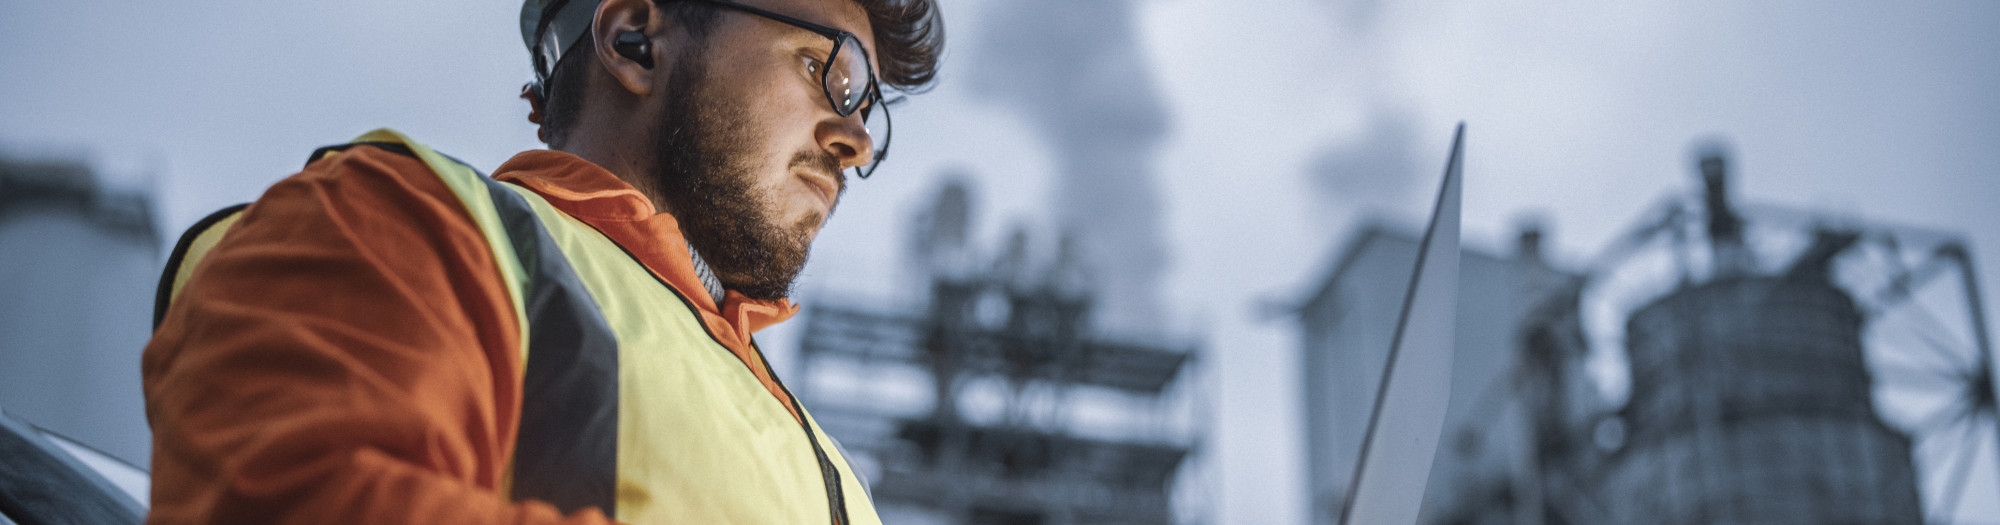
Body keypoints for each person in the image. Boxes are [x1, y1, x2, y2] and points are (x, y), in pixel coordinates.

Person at [141, 0, 941, 522]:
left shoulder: (821, 462)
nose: (856, 139)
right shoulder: (410, 225)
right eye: (826, 71)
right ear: (636, 38)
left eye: (868, 107)